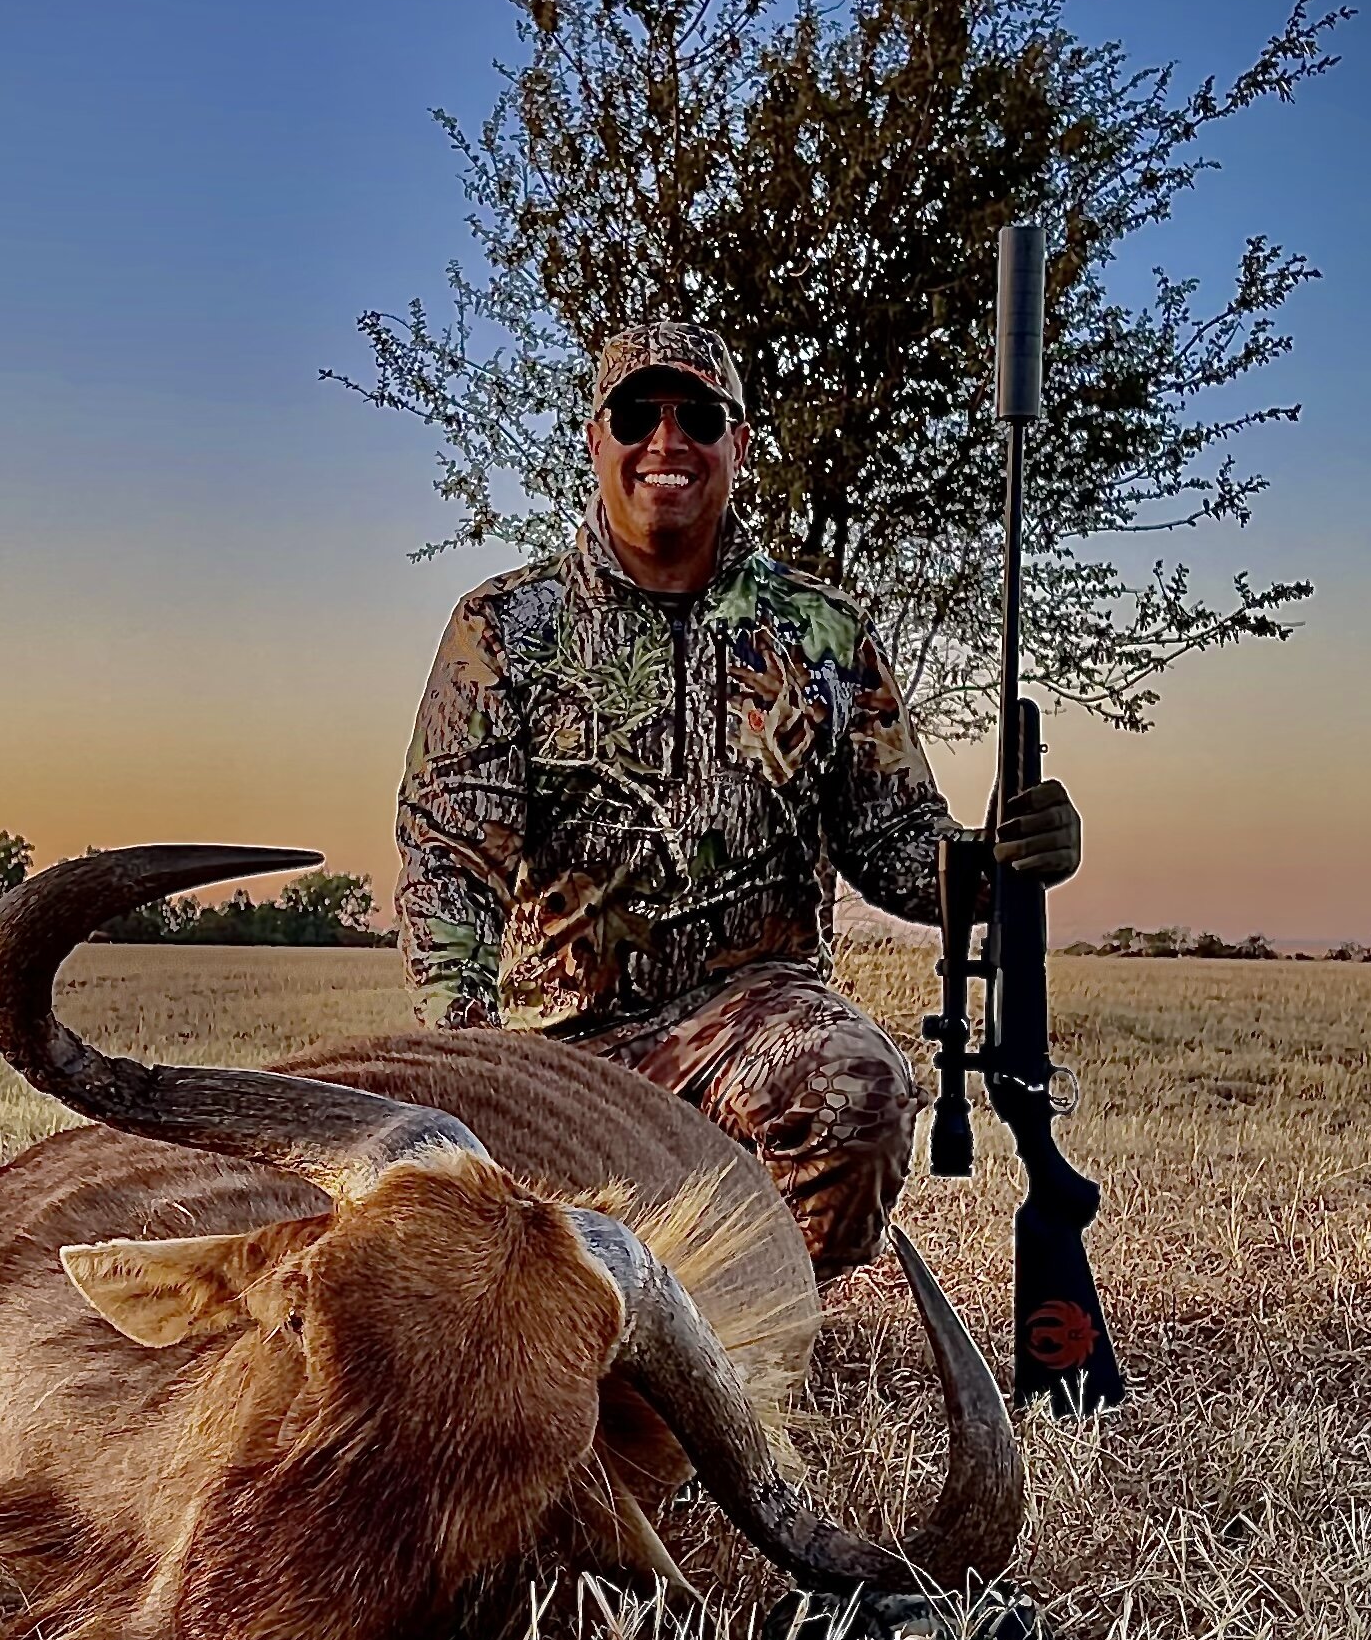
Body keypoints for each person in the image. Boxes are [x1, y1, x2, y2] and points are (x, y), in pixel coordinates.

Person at [395, 319, 1080, 1280]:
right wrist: (465, 1063)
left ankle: (742, 1349)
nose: (665, 442)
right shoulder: (505, 628)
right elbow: (447, 856)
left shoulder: (821, 632)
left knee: (860, 1091)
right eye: (637, 415)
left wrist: (1001, 862)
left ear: (739, 445)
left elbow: (894, 844)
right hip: (558, 1051)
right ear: (597, 439)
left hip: (757, 1019)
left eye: (698, 418)